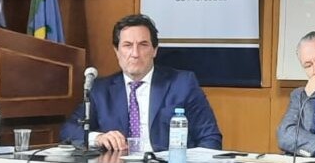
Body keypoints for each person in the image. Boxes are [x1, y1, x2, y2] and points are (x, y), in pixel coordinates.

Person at [60, 14, 222, 151]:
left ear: (154, 50)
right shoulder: (101, 90)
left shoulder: (182, 84)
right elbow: (69, 130)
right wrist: (98, 138)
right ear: (117, 51)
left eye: (143, 45)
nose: (135, 53)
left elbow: (210, 138)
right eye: (127, 45)